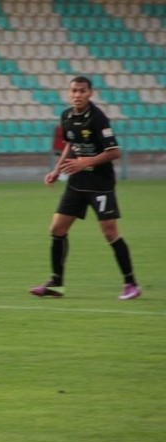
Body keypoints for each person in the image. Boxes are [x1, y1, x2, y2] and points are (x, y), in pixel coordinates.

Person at [30, 76, 141, 300]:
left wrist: (84, 162)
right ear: (69, 93)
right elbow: (71, 144)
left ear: (90, 93)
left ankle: (131, 284)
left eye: (82, 91)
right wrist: (57, 170)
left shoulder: (98, 118)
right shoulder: (67, 116)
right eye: (74, 91)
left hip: (100, 184)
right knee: (57, 229)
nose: (77, 95)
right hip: (77, 183)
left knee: (110, 232)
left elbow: (114, 152)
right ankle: (57, 284)